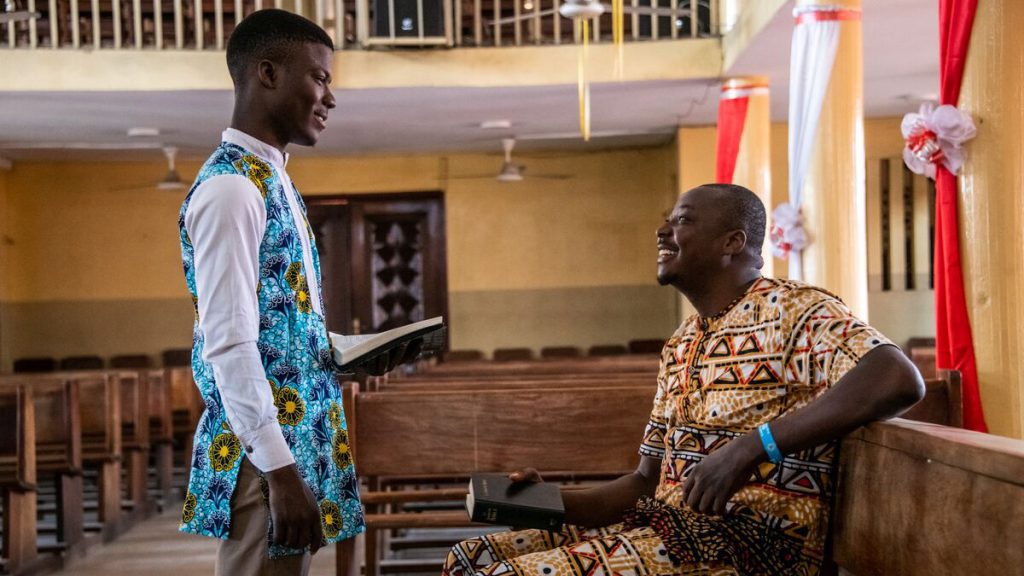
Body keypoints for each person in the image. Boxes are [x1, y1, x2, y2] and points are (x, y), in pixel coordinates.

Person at [442, 183, 925, 576]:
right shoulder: (681, 343)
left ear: (732, 241)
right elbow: (645, 484)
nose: (662, 231)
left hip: (751, 546)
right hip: (670, 527)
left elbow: (895, 376)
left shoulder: (792, 308)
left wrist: (747, 450)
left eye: (683, 220)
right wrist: (546, 501)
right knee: (468, 560)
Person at [176, 9, 413, 575]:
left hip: (292, 441)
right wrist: (279, 473)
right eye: (320, 77)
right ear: (267, 73)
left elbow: (278, 320)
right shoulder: (232, 190)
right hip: (265, 457)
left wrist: (347, 349)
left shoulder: (272, 178)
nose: (330, 97)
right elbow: (228, 344)